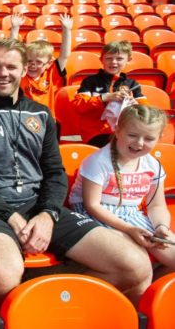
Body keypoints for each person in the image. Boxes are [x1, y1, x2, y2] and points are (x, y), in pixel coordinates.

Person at [0, 39, 153, 311]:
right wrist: (10, 216)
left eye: (11, 66)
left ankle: (51, 307)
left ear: (24, 69)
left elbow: (55, 172)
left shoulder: (41, 114)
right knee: (5, 278)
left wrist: (47, 215)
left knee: (136, 266)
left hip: (38, 205)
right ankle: (20, 314)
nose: (3, 73)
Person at [70, 104, 175, 278]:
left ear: (159, 138)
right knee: (138, 263)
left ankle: (152, 293)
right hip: (98, 213)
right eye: (132, 135)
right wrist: (129, 230)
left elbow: (156, 206)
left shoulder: (153, 165)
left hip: (132, 214)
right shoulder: (98, 162)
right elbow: (92, 205)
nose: (139, 143)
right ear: (117, 131)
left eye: (149, 138)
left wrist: (160, 226)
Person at [73, 40, 148, 147]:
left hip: (125, 132)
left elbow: (146, 111)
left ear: (128, 60)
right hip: (96, 133)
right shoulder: (90, 81)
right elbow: (79, 106)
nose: (113, 62)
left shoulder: (132, 84)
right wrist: (105, 98)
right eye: (109, 58)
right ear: (101, 60)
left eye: (119, 59)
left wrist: (135, 104)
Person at [9, 13, 73, 119]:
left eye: (38, 62)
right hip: (23, 120)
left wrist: (67, 30)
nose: (33, 65)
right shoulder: (21, 74)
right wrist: (15, 28)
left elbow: (65, 55)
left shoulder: (52, 73)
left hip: (47, 120)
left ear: (48, 64)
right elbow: (12, 52)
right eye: (29, 61)